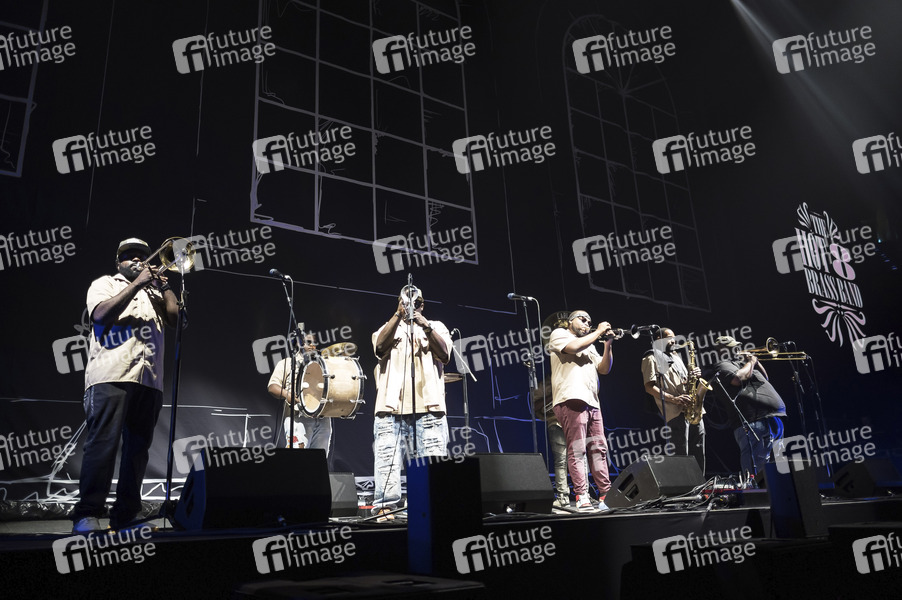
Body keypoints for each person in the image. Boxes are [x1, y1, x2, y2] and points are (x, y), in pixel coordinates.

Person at [72, 238, 179, 533]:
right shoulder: (105, 283)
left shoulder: (155, 293)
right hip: (111, 376)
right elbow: (100, 315)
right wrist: (138, 283)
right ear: (118, 263)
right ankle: (87, 513)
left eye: (142, 256)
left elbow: (174, 318)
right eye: (129, 256)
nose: (137, 260)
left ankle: (126, 516)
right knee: (102, 446)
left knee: (137, 451)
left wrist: (165, 287)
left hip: (149, 380)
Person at [371, 285, 451, 520]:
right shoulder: (387, 328)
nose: (410, 306)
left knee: (432, 464)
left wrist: (425, 325)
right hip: (390, 408)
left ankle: (429, 506)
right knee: (387, 462)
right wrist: (398, 314)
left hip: (429, 409)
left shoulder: (436, 326)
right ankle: (386, 506)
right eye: (405, 302)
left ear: (422, 305)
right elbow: (379, 347)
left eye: (416, 302)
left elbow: (445, 354)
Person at [548, 310, 614, 512]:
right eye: (582, 319)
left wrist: (608, 344)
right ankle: (581, 494)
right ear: (570, 322)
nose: (586, 323)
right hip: (571, 398)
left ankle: (606, 494)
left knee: (599, 449)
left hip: (593, 402)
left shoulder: (590, 344)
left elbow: (604, 369)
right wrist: (598, 331)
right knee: (577, 448)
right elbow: (573, 347)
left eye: (589, 321)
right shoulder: (559, 334)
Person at [711, 335, 786, 484]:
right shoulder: (723, 365)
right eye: (733, 347)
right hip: (753, 421)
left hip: (772, 417)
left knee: (777, 465)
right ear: (722, 350)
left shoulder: (743, 365)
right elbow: (737, 379)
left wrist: (755, 362)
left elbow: (765, 378)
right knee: (758, 467)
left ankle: (777, 493)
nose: (737, 349)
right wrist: (751, 362)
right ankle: (758, 493)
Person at [641, 327, 707, 474]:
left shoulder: (676, 356)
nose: (674, 341)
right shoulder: (651, 357)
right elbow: (649, 387)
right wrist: (674, 399)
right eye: (670, 337)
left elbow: (683, 381)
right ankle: (684, 485)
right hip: (675, 410)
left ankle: (700, 483)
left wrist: (693, 375)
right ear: (659, 339)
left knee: (698, 450)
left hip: (692, 407)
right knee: (681, 454)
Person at [267, 331, 333, 453]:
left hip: (322, 418)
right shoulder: (287, 363)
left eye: (315, 343)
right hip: (298, 417)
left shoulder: (324, 365)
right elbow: (272, 386)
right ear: (299, 343)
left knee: (320, 459)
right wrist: (287, 394)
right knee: (298, 459)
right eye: (308, 342)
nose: (312, 345)